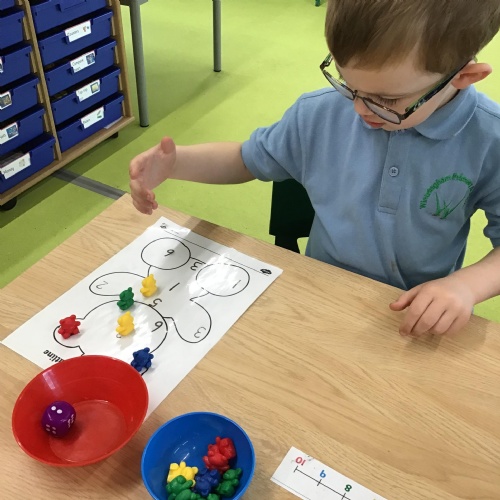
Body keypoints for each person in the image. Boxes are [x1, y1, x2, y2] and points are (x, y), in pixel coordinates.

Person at [130, 0, 500, 338]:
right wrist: (177, 163)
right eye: (347, 83)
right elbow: (246, 159)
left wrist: (465, 286)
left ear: (463, 76)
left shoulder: (489, 139)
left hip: (411, 315)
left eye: (387, 100)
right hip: (318, 298)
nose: (359, 109)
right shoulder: (319, 114)